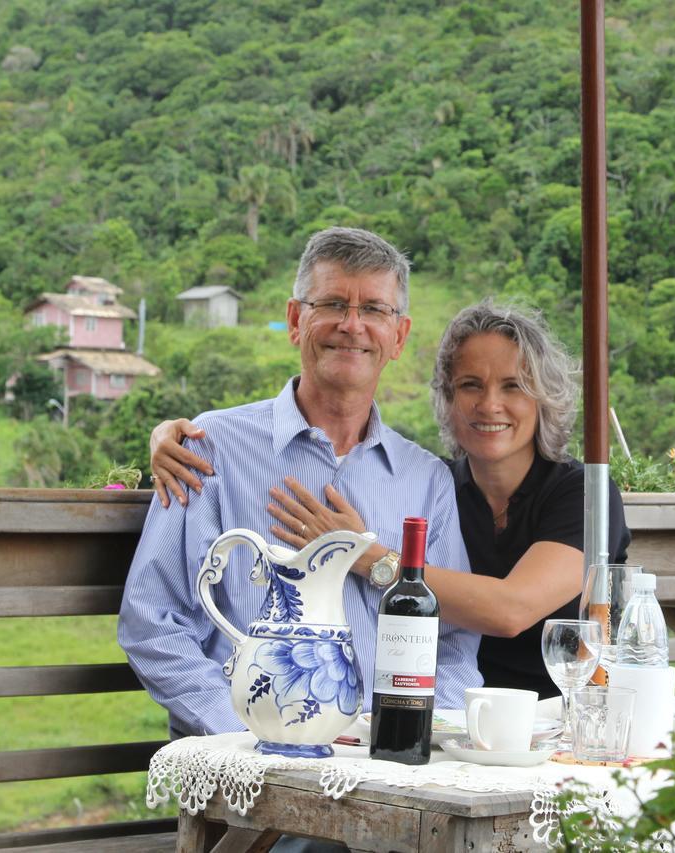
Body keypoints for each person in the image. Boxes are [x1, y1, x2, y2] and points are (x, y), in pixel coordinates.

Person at [151, 299, 630, 698]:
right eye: (469, 386)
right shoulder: (436, 486)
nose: (489, 405)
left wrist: (363, 554)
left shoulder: (582, 494)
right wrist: (170, 438)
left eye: (514, 386)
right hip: (466, 725)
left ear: (544, 397)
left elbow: (510, 611)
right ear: (446, 397)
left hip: (562, 717)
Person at [119, 227, 482, 739]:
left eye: (374, 310)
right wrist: (242, 734)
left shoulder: (426, 480)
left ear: (398, 337)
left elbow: (451, 645)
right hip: (245, 767)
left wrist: (413, 737)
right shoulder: (210, 449)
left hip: (387, 768)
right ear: (296, 320)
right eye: (332, 303)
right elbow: (153, 620)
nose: (351, 325)